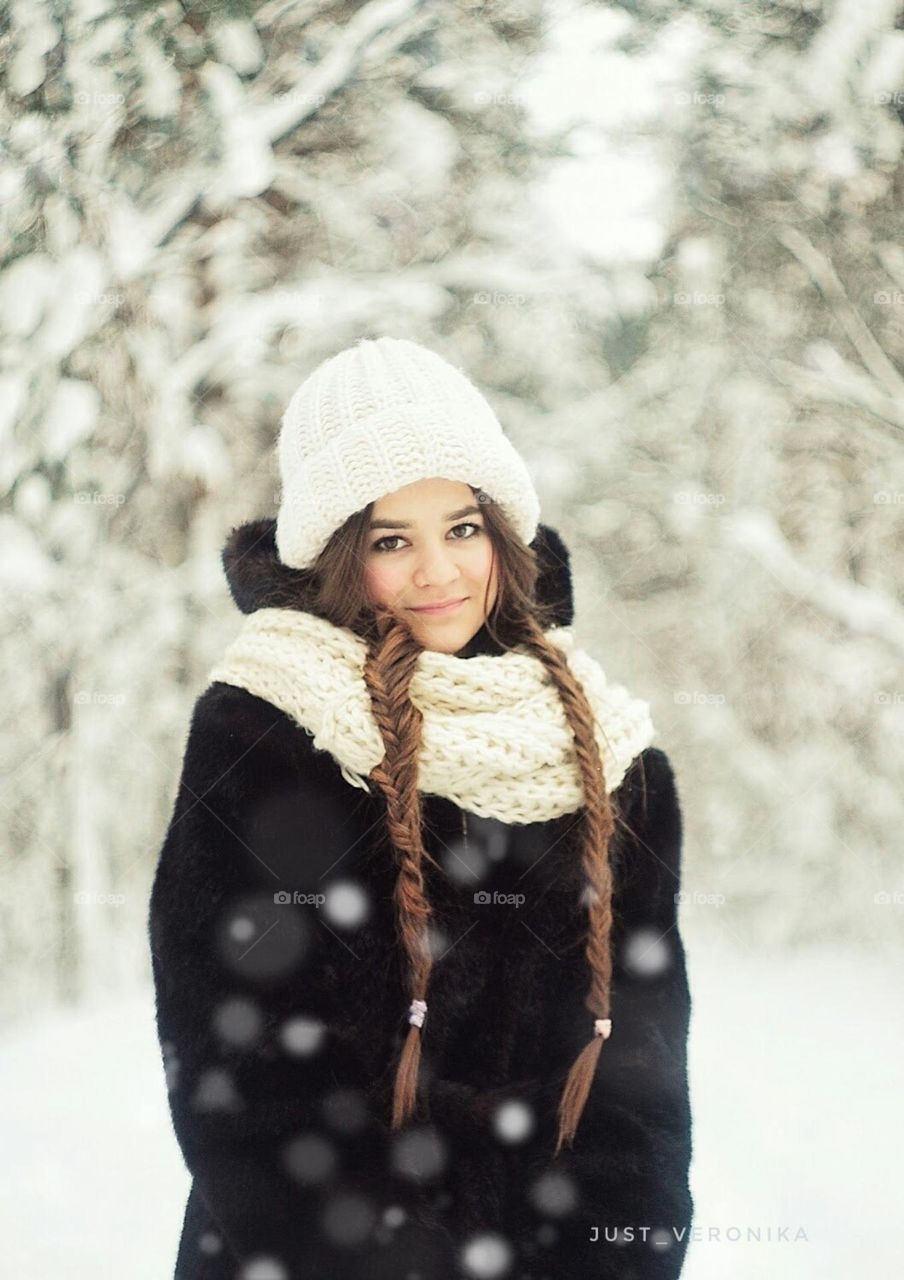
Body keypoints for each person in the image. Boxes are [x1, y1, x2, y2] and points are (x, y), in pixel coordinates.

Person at [148, 336, 694, 1280]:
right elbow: (240, 1066)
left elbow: (641, 1079)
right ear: (334, 553)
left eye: (464, 527)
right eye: (391, 540)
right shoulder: (268, 734)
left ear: (503, 532)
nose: (439, 572)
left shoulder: (612, 757)